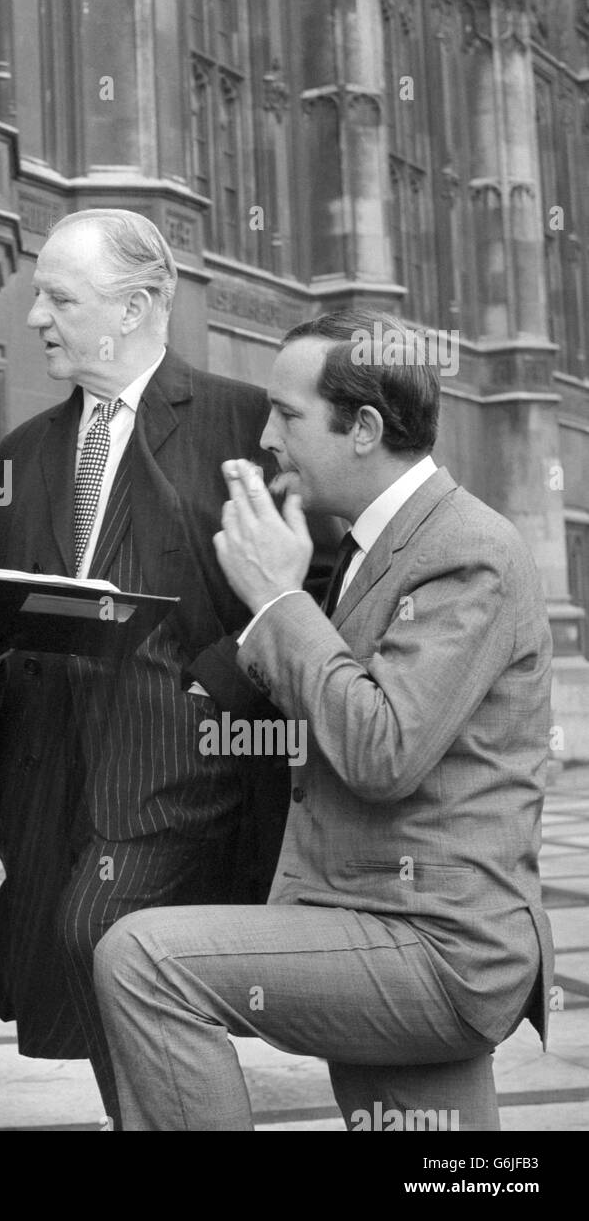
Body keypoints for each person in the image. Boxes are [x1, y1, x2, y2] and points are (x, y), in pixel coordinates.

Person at [94, 309, 555, 1131]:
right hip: (380, 918)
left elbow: (382, 750)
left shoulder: (467, 548)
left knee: (143, 958)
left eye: (288, 415)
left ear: (365, 428)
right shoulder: (375, 543)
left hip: (435, 946)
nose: (267, 436)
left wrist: (277, 598)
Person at [0, 208, 309, 1127]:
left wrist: (217, 684)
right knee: (74, 960)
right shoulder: (21, 453)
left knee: (98, 932)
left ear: (134, 307)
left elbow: (312, 589)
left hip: (183, 765)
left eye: (58, 297)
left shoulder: (247, 422)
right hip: (50, 774)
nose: (37, 315)